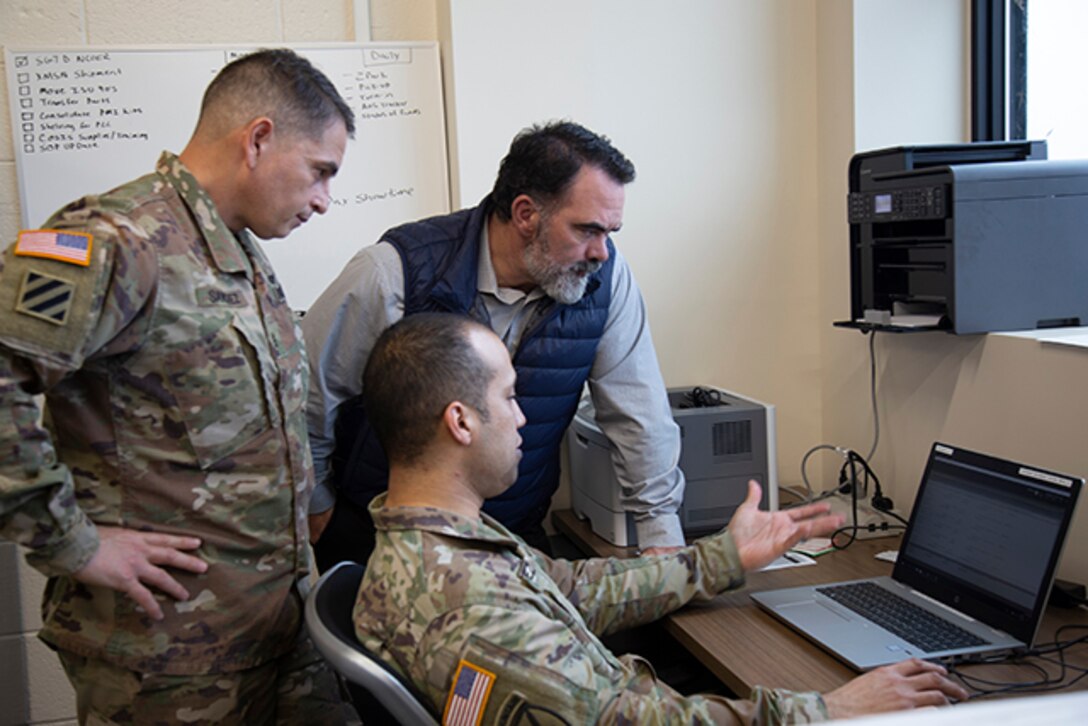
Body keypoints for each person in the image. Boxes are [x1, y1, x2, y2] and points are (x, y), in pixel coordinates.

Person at [352, 312, 969, 724]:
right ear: (460, 422)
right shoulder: (468, 607)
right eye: (509, 397)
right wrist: (829, 711)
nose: (522, 419)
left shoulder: (437, 544)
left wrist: (723, 557)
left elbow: (572, 589)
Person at [0, 49, 359, 724]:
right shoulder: (118, 241)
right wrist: (72, 541)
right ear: (257, 139)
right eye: (320, 172)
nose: (322, 200)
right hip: (169, 659)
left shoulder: (239, 253)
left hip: (274, 629)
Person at [304, 120, 687, 571]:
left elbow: (639, 412)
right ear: (526, 214)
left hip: (510, 541)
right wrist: (315, 509)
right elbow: (305, 399)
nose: (602, 252)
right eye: (587, 230)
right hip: (382, 543)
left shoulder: (603, 280)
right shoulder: (393, 273)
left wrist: (661, 533)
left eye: (610, 233)